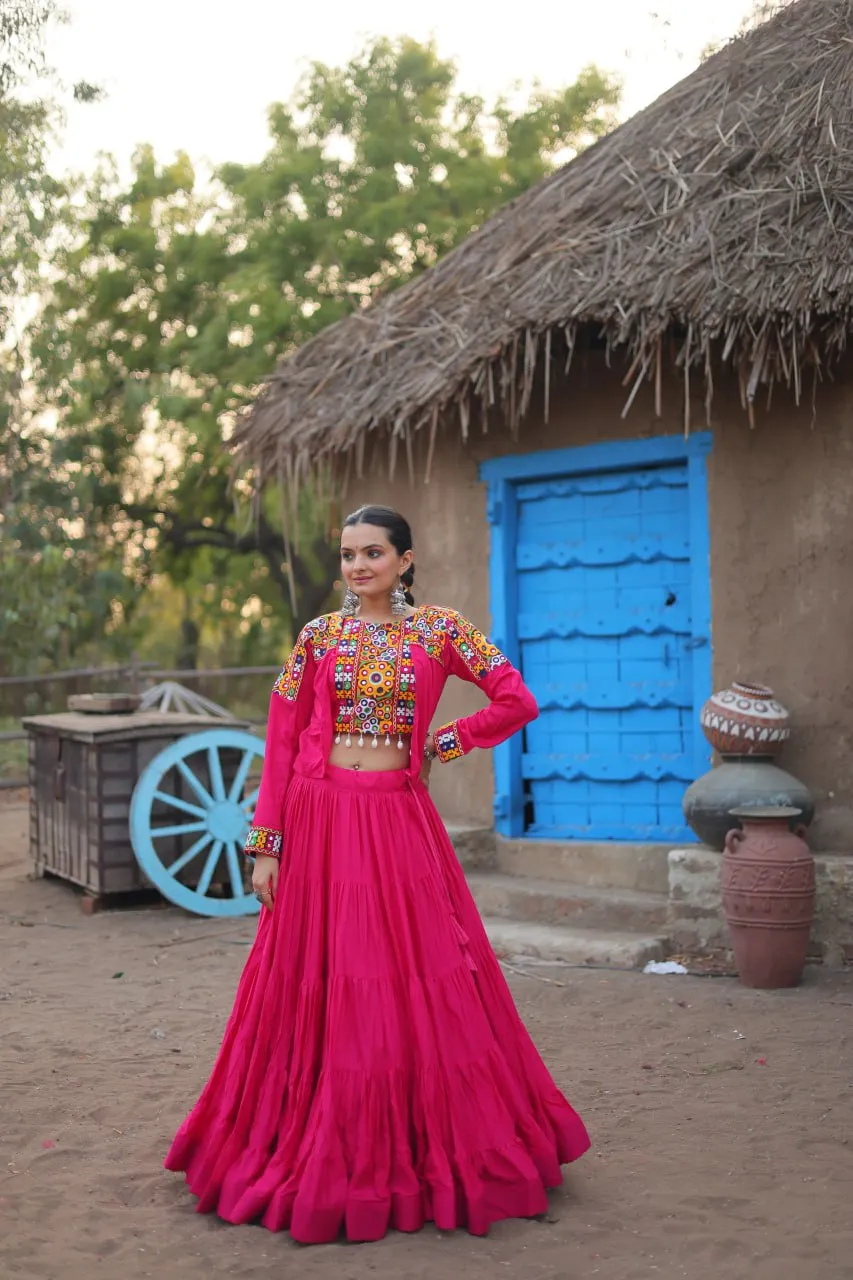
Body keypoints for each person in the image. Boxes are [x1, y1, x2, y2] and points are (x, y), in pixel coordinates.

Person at [165, 504, 590, 1244]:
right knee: (321, 980)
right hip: (320, 819)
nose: (357, 566)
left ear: (405, 559)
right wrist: (266, 843)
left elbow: (516, 700)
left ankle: (422, 1150)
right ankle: (317, 1139)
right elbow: (283, 733)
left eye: (372, 553)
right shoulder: (318, 638)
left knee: (416, 979)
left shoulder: (441, 631)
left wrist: (443, 742)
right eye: (347, 555)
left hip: (395, 822)